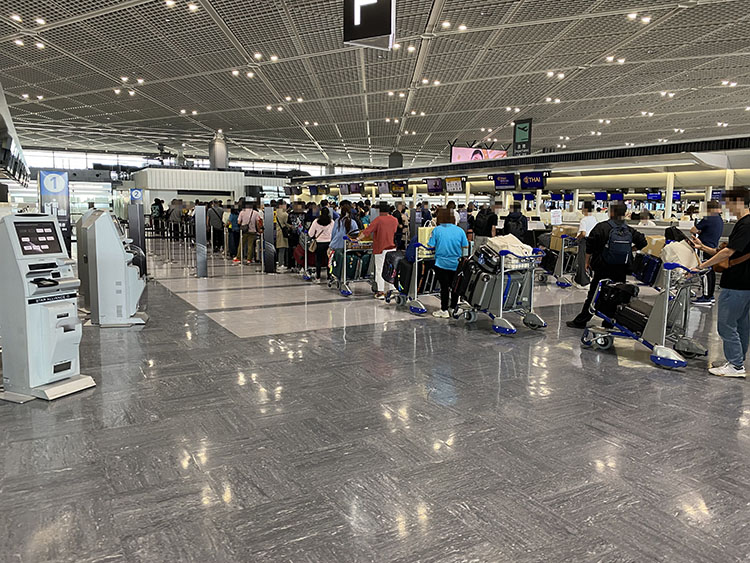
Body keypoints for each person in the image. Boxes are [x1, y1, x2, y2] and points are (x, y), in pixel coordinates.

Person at [692, 188, 750, 377]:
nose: (727, 207)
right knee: (741, 325)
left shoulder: (746, 224)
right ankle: (737, 361)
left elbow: (727, 253)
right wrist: (703, 248)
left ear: (739, 201)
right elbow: (727, 253)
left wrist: (702, 266)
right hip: (745, 283)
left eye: (729, 203)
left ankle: (735, 366)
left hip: (736, 283)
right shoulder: (744, 223)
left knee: (725, 324)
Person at [566, 203, 647, 329]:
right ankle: (608, 322)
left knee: (594, 294)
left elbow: (590, 246)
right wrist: (631, 249)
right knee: (616, 294)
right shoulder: (629, 229)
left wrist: (587, 262)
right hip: (621, 267)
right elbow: (643, 241)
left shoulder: (602, 227)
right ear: (625, 214)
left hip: (603, 267)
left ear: (611, 212)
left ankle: (581, 321)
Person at [428, 209, 469, 318]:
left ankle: (444, 309)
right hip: (456, 263)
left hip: (441, 263)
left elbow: (431, 245)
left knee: (444, 287)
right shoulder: (460, 231)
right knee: (455, 286)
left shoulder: (437, 230)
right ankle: (453, 307)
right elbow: (465, 245)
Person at [359, 202, 399, 299]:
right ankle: (392, 289)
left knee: (380, 270)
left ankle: (380, 292)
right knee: (391, 270)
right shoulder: (394, 220)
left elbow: (367, 232)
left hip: (380, 249)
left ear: (379, 210)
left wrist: (358, 239)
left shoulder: (378, 220)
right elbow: (394, 231)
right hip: (392, 248)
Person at [690, 200, 724, 305]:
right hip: (713, 246)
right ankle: (710, 295)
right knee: (710, 271)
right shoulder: (719, 219)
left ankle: (706, 296)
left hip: (704, 247)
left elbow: (693, 230)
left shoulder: (709, 218)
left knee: (705, 271)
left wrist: (699, 231)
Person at [330, 201, 360, 280]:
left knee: (335, 262)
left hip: (336, 246)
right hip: (348, 246)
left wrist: (331, 245)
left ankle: (334, 276)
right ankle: (345, 275)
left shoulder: (337, 221)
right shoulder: (353, 222)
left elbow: (333, 234)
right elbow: (356, 235)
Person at [574, 202, 598, 286]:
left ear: (586, 209)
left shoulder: (584, 220)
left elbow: (583, 233)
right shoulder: (594, 219)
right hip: (593, 242)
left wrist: (578, 238)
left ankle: (583, 282)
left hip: (585, 242)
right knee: (588, 261)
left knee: (582, 261)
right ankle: (579, 279)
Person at [308, 207, 334, 281]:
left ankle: (318, 277)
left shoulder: (316, 221)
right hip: (329, 243)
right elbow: (334, 232)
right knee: (328, 260)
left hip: (319, 243)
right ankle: (329, 276)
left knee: (318, 261)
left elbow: (310, 233)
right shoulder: (332, 222)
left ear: (320, 213)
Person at [275, 200, 291, 271]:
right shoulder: (284, 214)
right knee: (282, 249)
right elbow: (287, 223)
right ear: (281, 205)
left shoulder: (277, 212)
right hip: (283, 232)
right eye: (285, 204)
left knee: (280, 249)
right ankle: (281, 264)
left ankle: (280, 263)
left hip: (278, 231)